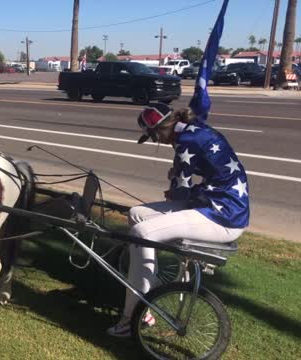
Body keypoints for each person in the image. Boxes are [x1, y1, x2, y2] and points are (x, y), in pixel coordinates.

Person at [107, 103, 250, 337]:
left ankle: (135, 316)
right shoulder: (193, 130)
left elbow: (181, 193)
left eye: (153, 136)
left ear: (161, 130)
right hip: (215, 205)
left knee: (143, 233)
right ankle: (148, 288)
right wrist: (178, 182)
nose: (156, 141)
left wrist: (174, 181)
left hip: (223, 217)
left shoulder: (185, 142)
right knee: (136, 214)